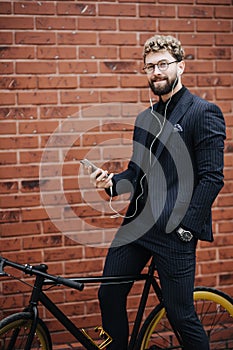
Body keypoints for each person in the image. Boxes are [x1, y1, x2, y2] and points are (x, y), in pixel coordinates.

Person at [88, 35, 225, 350]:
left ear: (181, 66)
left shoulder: (203, 112)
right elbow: (137, 174)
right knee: (108, 294)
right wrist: (111, 183)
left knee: (180, 315)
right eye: (150, 66)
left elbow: (212, 178)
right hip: (137, 226)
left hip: (175, 232)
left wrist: (186, 228)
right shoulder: (144, 119)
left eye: (163, 64)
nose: (156, 72)